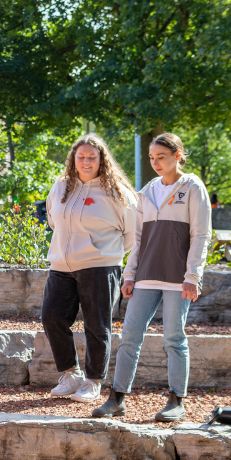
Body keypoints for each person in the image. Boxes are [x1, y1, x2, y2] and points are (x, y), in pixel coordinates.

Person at [93, 133, 211, 422]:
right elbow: (140, 238)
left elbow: (201, 236)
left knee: (174, 338)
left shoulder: (193, 187)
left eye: (162, 156)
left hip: (177, 277)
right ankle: (117, 398)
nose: (156, 162)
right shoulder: (147, 191)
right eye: (152, 158)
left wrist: (193, 275)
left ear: (177, 155)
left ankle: (176, 400)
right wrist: (130, 274)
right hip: (146, 276)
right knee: (130, 336)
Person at [42, 134, 138, 403]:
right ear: (73, 159)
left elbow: (132, 232)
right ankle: (71, 374)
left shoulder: (116, 191)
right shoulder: (60, 186)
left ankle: (93, 381)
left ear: (101, 160)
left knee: (97, 325)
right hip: (62, 264)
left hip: (99, 266)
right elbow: (53, 220)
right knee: (51, 316)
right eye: (81, 157)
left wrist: (105, 252)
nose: (85, 161)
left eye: (91, 157)